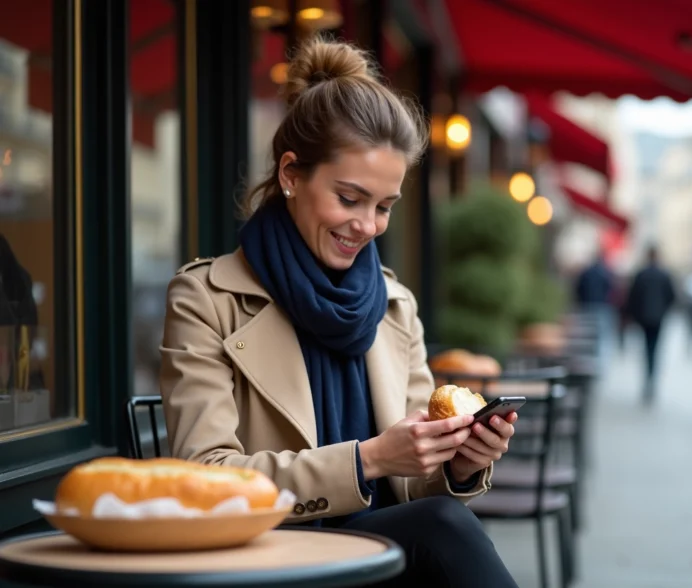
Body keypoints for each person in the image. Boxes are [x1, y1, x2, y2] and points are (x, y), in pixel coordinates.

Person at [159, 38, 518, 587]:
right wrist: (367, 460)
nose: (368, 225)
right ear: (291, 175)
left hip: (377, 563)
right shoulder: (206, 299)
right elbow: (206, 482)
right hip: (266, 562)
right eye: (349, 199)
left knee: (443, 518)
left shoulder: (395, 306)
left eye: (384, 207)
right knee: (444, 528)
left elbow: (415, 491)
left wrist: (458, 463)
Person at [623, 245, 676, 403]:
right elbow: (671, 296)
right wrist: (663, 310)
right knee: (655, 349)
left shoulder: (642, 274)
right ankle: (652, 379)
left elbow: (633, 296)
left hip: (644, 318)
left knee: (647, 348)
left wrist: (633, 315)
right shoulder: (664, 274)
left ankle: (648, 379)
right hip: (658, 318)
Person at [575, 250, 616, 375]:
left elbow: (578, 289)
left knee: (587, 338)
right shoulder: (606, 273)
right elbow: (611, 290)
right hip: (602, 307)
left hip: (587, 306)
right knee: (601, 337)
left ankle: (589, 365)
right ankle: (599, 365)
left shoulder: (586, 272)